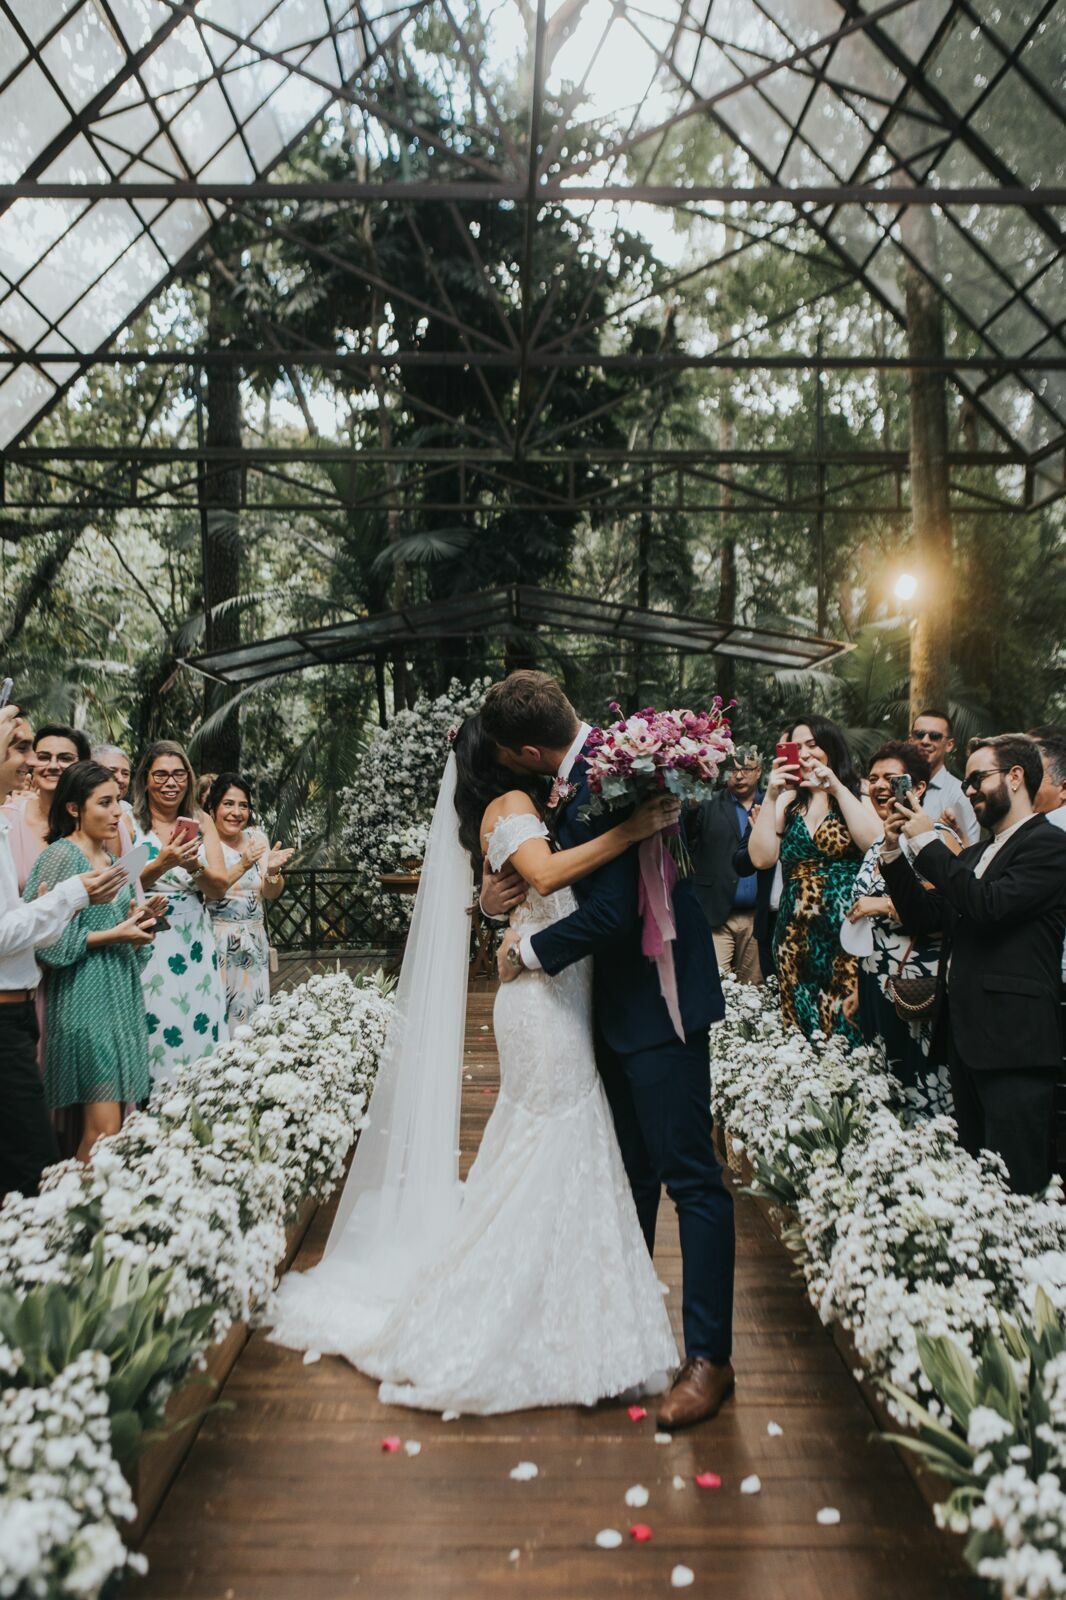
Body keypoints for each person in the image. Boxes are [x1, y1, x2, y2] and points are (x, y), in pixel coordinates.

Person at [269, 710, 682, 1415]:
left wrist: (494, 907)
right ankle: (518, 1309)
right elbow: (545, 873)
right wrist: (631, 831)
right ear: (504, 756)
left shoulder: (528, 803)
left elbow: (519, 890)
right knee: (554, 1137)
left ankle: (562, 1303)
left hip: (559, 992)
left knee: (550, 1145)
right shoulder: (513, 801)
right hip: (541, 1005)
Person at [486, 673, 735, 1431]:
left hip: (660, 1006)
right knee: (629, 1177)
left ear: (529, 751)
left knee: (691, 1177)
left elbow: (615, 912)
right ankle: (620, 1336)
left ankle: (710, 1360)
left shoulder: (617, 778)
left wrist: (527, 953)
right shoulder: (588, 775)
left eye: (508, 754)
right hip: (608, 1010)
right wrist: (495, 902)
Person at [882, 734, 1066, 1194]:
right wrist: (893, 852)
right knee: (978, 1184)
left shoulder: (1050, 846)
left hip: (1015, 1043)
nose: (968, 790)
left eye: (978, 778)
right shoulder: (976, 854)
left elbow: (989, 905)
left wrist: (927, 841)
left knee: (1017, 1186)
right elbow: (926, 917)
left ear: (1016, 777)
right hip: (967, 1042)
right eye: (966, 782)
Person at [0, 711, 128, 1198]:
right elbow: (19, 937)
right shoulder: (58, 854)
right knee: (40, 1163)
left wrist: (133, 924)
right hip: (58, 1002)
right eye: (22, 749)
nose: (34, 762)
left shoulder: (109, 855)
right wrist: (69, 898)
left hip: (46, 1004)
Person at [25, 762, 164, 1164]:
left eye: (118, 800)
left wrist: (142, 921)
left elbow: (126, 934)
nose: (117, 811)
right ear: (74, 808)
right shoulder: (59, 856)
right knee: (103, 1131)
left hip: (121, 995)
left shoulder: (114, 860)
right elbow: (41, 938)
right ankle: (70, 1202)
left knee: (114, 1129)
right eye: (104, 802)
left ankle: (88, 1199)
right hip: (82, 999)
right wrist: (114, 935)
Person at [843, 742, 959, 1118]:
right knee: (884, 1083)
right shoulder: (878, 843)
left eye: (891, 779)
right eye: (873, 778)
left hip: (917, 983)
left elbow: (949, 907)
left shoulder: (937, 837)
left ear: (918, 788)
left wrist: (882, 905)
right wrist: (858, 987)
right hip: (875, 981)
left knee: (918, 1079)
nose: (879, 786)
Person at [748, 716, 880, 1043]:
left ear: (831, 746)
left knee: (848, 1025)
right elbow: (761, 858)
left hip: (846, 931)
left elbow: (874, 844)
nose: (805, 753)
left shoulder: (857, 792)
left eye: (812, 744)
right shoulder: (788, 800)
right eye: (798, 746)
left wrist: (836, 788)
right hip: (794, 934)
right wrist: (772, 794)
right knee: (799, 1026)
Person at [132, 741, 228, 1086]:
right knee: (157, 1018)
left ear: (188, 778)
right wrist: (162, 863)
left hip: (194, 939)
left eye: (178, 774)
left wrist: (192, 865)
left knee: (198, 1016)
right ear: (145, 779)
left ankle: (200, 1097)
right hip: (147, 935)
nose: (170, 783)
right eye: (160, 775)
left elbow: (219, 888)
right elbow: (120, 883)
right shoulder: (129, 823)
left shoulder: (202, 821)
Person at [203, 773, 293, 1033]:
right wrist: (242, 864)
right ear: (213, 808)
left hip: (254, 940)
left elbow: (270, 892)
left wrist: (273, 871)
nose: (236, 812)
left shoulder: (257, 839)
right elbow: (204, 893)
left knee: (253, 1018)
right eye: (228, 804)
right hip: (216, 940)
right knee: (217, 1016)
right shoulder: (202, 844)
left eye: (243, 805)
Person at [687, 745, 764, 983]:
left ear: (759, 771)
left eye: (746, 769)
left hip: (758, 918)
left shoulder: (771, 806)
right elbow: (686, 839)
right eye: (732, 769)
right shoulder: (707, 803)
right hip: (716, 913)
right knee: (716, 985)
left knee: (755, 991)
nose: (739, 775)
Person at [1, 724, 92, 890]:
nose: (53, 766)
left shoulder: (104, 819)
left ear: (83, 765)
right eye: (43, 757)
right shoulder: (7, 820)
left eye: (65, 758)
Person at [909, 709, 980, 844]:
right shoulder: (895, 785)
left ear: (949, 745)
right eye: (919, 735)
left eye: (935, 736)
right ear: (910, 740)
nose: (925, 741)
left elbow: (969, 851)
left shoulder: (960, 795)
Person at [93, 743, 135, 850]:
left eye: (125, 773)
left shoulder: (128, 810)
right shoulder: (84, 815)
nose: (120, 779)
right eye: (112, 771)